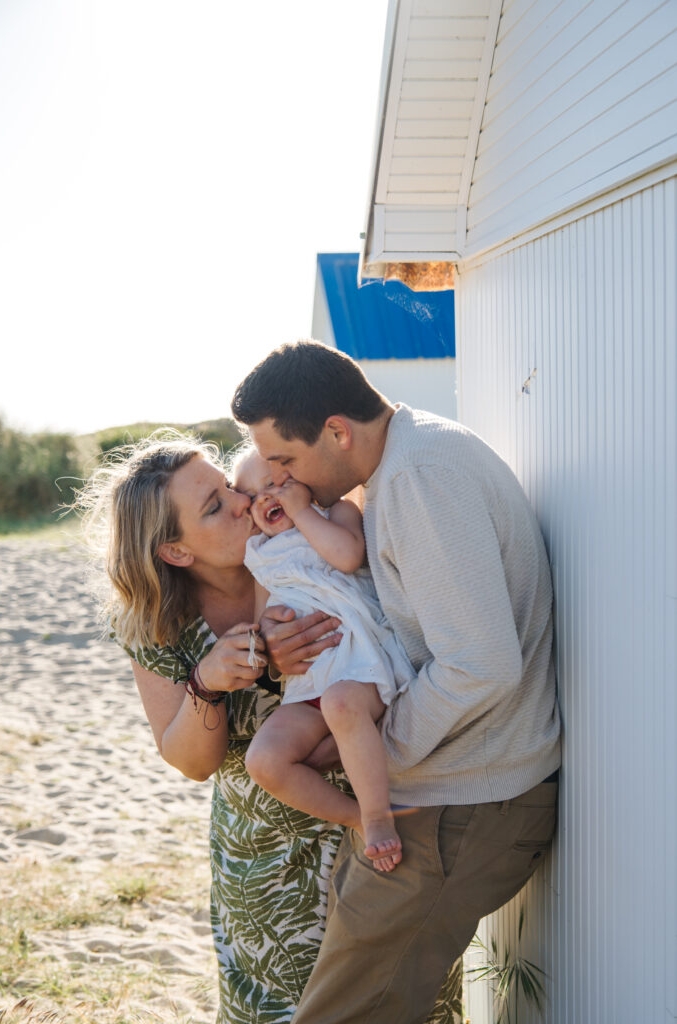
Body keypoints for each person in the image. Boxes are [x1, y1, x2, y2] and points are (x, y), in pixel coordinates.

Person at [77, 429, 461, 1024]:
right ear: (177, 551)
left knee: (405, 1002)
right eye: (214, 507)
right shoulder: (155, 624)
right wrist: (210, 680)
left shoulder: (306, 542)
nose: (240, 501)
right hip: (265, 854)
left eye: (228, 486)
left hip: (384, 818)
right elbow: (191, 762)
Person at [232, 339, 562, 1024]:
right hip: (449, 797)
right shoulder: (408, 460)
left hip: (462, 807)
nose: (280, 480)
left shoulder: (417, 478)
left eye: (285, 460)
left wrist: (375, 748)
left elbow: (480, 664)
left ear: (337, 431)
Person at [234, 447, 414, 872]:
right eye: (251, 495)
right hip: (309, 682)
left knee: (341, 704)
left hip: (361, 666)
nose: (264, 498)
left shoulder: (337, 512)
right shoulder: (261, 556)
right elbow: (265, 625)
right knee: (263, 760)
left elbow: (348, 556)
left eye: (277, 484)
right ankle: (356, 819)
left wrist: (304, 513)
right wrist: (271, 636)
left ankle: (378, 815)